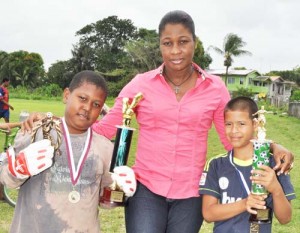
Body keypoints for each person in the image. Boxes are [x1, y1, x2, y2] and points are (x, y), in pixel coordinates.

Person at [22, 11, 294, 233]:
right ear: (160, 44)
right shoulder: (141, 84)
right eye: (168, 43)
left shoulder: (215, 89)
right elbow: (106, 127)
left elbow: (231, 138)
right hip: (146, 190)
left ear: (194, 43)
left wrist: (272, 146)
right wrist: (52, 121)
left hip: (190, 194)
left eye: (183, 41)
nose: (175, 50)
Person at [0, 70, 136, 233]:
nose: (87, 108)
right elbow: (6, 179)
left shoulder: (105, 148)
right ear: (66, 95)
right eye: (82, 98)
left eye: (96, 104)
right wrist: (18, 170)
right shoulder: (35, 132)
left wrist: (122, 189)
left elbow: (105, 199)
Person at [199, 96, 296, 233]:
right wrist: (245, 204)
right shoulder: (216, 165)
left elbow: (285, 218)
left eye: (241, 124)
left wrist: (275, 188)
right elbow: (208, 214)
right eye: (228, 124)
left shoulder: (274, 165)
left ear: (255, 124)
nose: (234, 131)